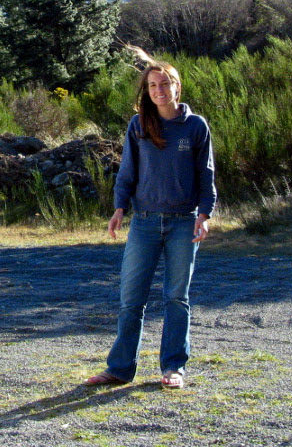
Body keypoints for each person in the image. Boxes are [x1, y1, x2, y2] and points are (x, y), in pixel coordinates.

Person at [85, 50, 216, 389]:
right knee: (131, 298)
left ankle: (174, 368)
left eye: (165, 83)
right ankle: (119, 369)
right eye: (152, 85)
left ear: (177, 87)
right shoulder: (139, 125)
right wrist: (119, 208)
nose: (159, 89)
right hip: (143, 222)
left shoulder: (196, 126)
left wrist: (205, 214)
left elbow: (206, 174)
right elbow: (128, 170)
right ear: (147, 91)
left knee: (176, 297)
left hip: (183, 223)